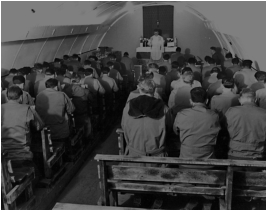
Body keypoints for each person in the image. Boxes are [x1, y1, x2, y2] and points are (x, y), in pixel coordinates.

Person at [174, 87, 220, 161]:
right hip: (208, 161)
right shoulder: (214, 116)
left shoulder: (181, 114)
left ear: (191, 101)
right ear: (207, 101)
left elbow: (176, 131)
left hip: (186, 159)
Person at [1, 85, 44, 160]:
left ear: (7, 97)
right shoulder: (27, 108)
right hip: (22, 151)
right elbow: (39, 126)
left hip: (3, 152)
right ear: (21, 97)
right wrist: (34, 111)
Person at [225, 88, 266, 160]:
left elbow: (223, 130)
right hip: (258, 154)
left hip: (236, 153)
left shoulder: (231, 111)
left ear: (240, 99)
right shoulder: (264, 113)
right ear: (255, 99)